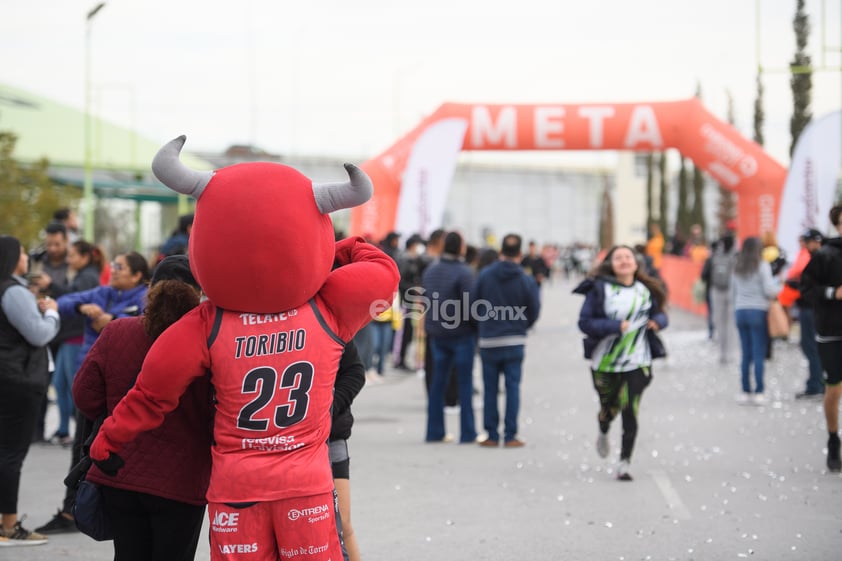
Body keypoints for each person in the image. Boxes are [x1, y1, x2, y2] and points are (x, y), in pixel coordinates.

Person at [87, 137, 399, 561]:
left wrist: (108, 440)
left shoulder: (207, 324)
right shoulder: (327, 309)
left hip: (236, 488)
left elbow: (150, 394)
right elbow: (383, 271)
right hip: (305, 484)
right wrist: (338, 248)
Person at [71, 255, 211, 561]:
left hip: (119, 469)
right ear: (198, 292)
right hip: (182, 481)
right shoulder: (207, 343)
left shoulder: (117, 332)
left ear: (151, 288)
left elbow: (85, 397)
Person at [35, 251, 150, 535]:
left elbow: (144, 320)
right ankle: (72, 510)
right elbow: (67, 302)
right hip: (91, 387)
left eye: (120, 267)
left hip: (122, 392)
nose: (114, 270)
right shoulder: (102, 292)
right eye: (113, 265)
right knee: (82, 450)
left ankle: (96, 511)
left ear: (137, 275)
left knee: (113, 453)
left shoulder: (144, 300)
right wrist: (67, 306)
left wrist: (113, 319)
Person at [573, 245, 668, 481]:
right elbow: (584, 322)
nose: (624, 261)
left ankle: (624, 463)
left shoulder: (646, 289)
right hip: (605, 363)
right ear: (611, 264)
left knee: (629, 409)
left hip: (638, 361)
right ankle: (604, 429)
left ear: (636, 263)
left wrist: (658, 321)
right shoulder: (600, 289)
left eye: (628, 257)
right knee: (609, 408)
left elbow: (661, 313)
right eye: (618, 258)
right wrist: (614, 327)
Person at [0, 235, 60, 546]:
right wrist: (51, 312)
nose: (26, 257)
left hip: (6, 376)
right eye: (22, 252)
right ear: (12, 257)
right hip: (19, 379)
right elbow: (38, 335)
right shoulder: (14, 290)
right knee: (11, 452)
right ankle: (8, 525)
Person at [472, 234, 541, 448]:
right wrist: (523, 326)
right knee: (513, 388)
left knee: (490, 388)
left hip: (489, 339)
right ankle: (511, 435)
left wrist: (483, 325)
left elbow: (473, 303)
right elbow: (534, 308)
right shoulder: (526, 279)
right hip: (515, 339)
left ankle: (491, 434)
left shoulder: (485, 275)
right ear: (520, 254)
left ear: (501, 252)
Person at [40, 240, 104, 446]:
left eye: (73, 256)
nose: (69, 260)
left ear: (85, 257)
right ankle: (65, 429)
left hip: (76, 338)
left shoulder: (88, 277)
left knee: (69, 385)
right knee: (61, 383)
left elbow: (72, 298)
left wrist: (51, 286)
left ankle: (72, 430)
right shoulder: (85, 275)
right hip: (70, 337)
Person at [422, 231, 478, 443]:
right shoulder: (464, 272)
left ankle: (434, 431)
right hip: (461, 334)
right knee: (464, 383)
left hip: (437, 334)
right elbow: (471, 305)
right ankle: (467, 432)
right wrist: (476, 328)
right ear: (461, 248)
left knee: (438, 383)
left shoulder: (431, 270)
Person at [799, 204, 842, 472]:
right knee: (834, 390)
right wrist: (831, 293)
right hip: (832, 331)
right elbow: (806, 289)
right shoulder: (825, 255)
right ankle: (833, 438)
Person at [731, 236, 781, 405]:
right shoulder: (762, 265)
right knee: (759, 353)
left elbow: (733, 291)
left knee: (746, 353)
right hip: (758, 311)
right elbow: (769, 290)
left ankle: (745, 391)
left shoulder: (737, 265)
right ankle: (759, 391)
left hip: (740, 311)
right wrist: (777, 287)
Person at [329, 340, 365, 561]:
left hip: (331, 438)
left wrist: (328, 407)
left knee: (342, 523)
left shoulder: (331, 322)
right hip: (281, 444)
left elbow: (355, 372)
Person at [783, 229, 825, 399]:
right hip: (808, 307)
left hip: (811, 308)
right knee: (809, 345)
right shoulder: (813, 257)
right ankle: (815, 382)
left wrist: (797, 286)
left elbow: (812, 285)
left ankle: (817, 383)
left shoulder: (819, 259)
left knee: (811, 346)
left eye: (807, 242)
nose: (805, 246)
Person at [704, 231, 738, 364]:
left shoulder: (715, 256)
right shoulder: (735, 256)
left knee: (719, 322)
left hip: (716, 290)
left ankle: (722, 353)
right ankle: (730, 353)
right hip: (730, 291)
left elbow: (706, 273)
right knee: (730, 323)